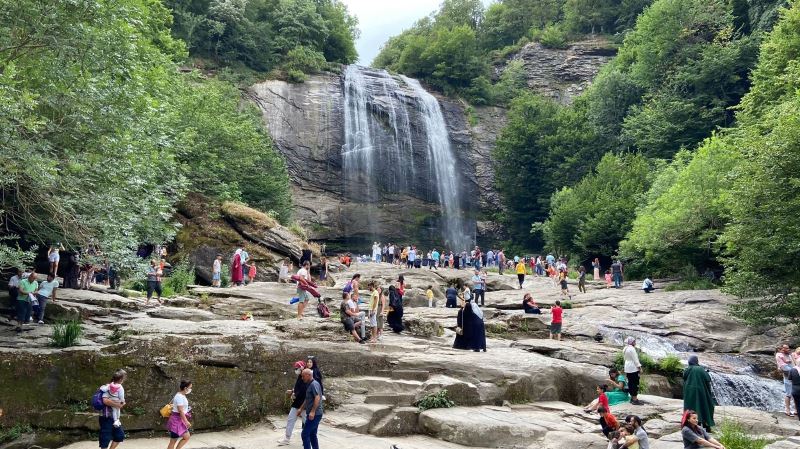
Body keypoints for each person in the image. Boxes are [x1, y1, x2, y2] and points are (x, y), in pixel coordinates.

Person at [278, 362, 308, 446]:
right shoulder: (299, 377)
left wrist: (295, 394)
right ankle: (287, 439)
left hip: (304, 405)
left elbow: (305, 391)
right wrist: (292, 392)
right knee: (290, 419)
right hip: (296, 403)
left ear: (302, 368)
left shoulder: (306, 377)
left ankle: (307, 440)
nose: (296, 370)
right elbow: (297, 388)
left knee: (306, 422)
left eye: (297, 368)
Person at [682, 356, 716, 429]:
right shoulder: (700, 369)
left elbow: (684, 377)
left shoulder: (687, 369)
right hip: (701, 392)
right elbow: (708, 379)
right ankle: (706, 425)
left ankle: (690, 425)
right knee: (705, 406)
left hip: (689, 393)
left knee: (690, 408)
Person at [452, 283, 487, 352]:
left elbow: (462, 320)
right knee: (480, 336)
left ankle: (475, 348)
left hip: (474, 325)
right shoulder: (476, 308)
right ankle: (483, 347)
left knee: (475, 336)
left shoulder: (465, 310)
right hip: (480, 324)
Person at [99, 370, 126, 449]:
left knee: (119, 435)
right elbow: (105, 400)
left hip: (114, 418)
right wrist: (118, 405)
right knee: (105, 438)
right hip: (106, 416)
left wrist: (119, 404)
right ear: (121, 379)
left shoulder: (111, 386)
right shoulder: (110, 386)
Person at [297, 368, 323, 449]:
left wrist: (312, 411)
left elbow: (317, 397)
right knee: (312, 434)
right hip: (315, 414)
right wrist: (301, 409)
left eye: (303, 376)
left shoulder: (314, 384)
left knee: (305, 434)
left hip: (315, 414)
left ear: (308, 375)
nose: (302, 378)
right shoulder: (309, 384)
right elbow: (307, 399)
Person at [166, 380, 192, 449]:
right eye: (190, 388)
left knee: (186, 437)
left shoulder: (182, 395)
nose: (190, 389)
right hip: (177, 421)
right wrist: (186, 421)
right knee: (173, 441)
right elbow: (180, 411)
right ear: (185, 388)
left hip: (179, 420)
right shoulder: (179, 396)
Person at [776, 344, 796, 417]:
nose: (789, 349)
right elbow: (784, 368)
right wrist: (796, 371)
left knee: (796, 393)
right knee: (789, 394)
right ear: (782, 349)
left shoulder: (789, 355)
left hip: (796, 378)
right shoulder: (779, 356)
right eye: (787, 348)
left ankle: (796, 410)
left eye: (788, 348)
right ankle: (787, 410)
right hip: (788, 378)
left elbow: (795, 364)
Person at [623, 337, 643, 405]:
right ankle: (635, 399)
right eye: (634, 342)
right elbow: (635, 359)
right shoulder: (632, 349)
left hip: (627, 367)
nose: (635, 343)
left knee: (630, 383)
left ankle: (632, 398)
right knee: (635, 383)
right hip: (633, 368)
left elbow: (625, 359)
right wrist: (639, 368)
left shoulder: (625, 348)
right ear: (632, 342)